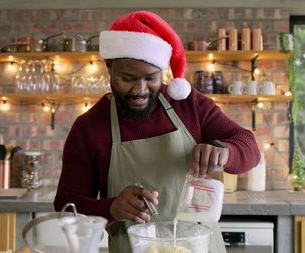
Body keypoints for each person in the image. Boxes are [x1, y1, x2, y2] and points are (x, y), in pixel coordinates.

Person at [54, 10, 261, 253]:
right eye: (127, 78)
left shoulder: (187, 105)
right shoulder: (89, 128)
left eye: (150, 78)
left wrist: (225, 152)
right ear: (109, 67)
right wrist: (110, 208)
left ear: (162, 71)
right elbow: (67, 208)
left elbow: (249, 146)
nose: (140, 90)